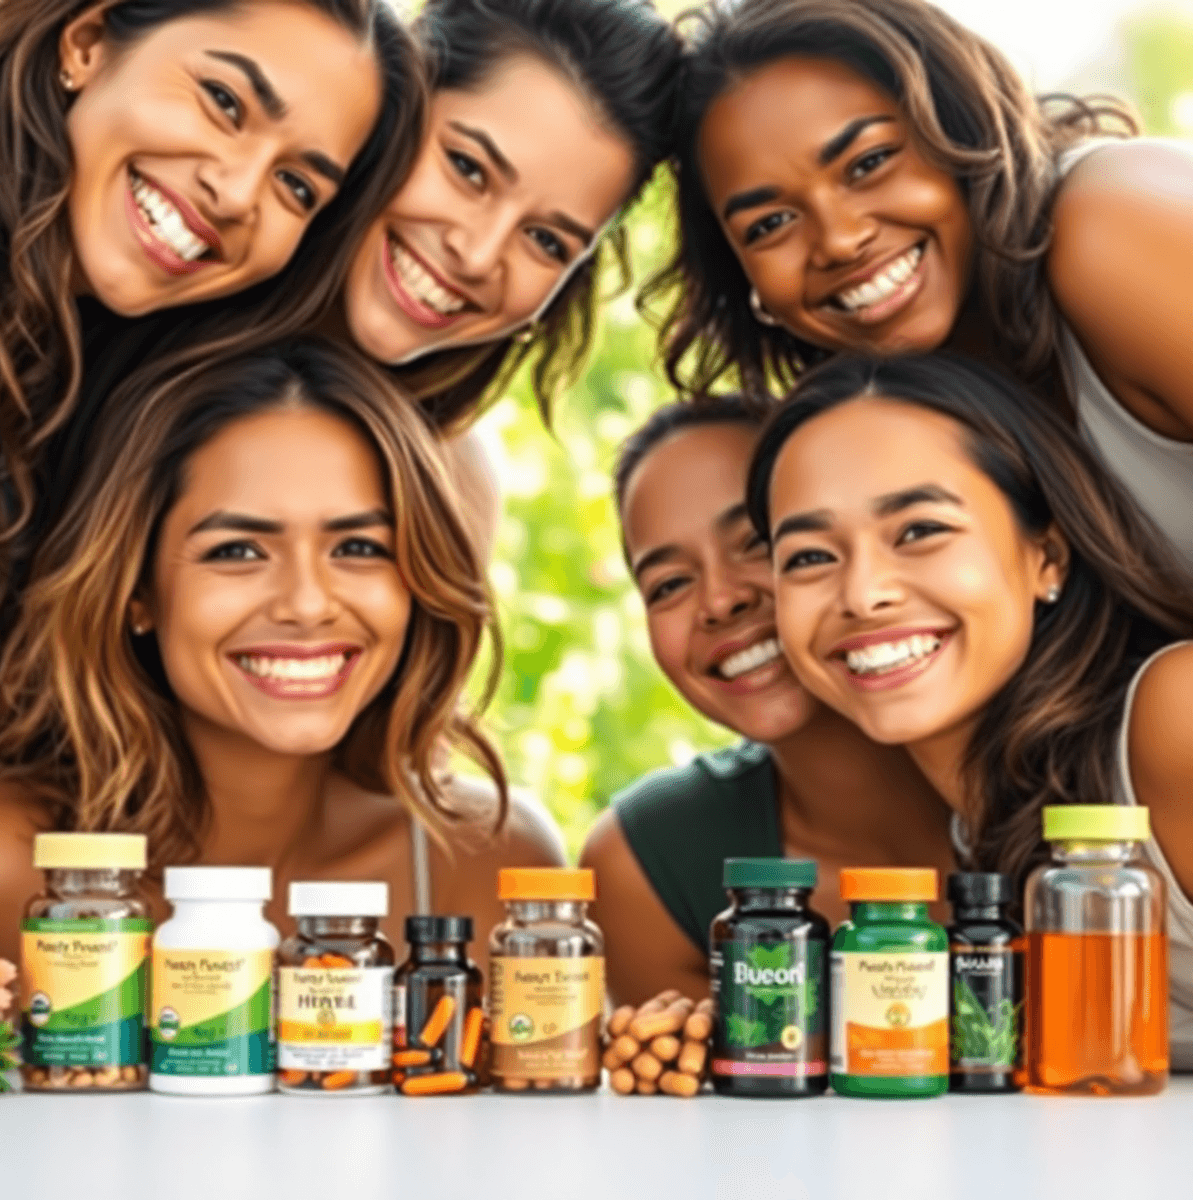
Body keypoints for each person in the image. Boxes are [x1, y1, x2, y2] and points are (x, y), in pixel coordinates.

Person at [0, 340, 563, 970]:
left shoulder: (490, 861)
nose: (308, 604)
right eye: (237, 551)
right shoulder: (13, 861)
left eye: (358, 547)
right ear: (136, 592)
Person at [746, 352, 1193, 1065]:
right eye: (808, 557)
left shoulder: (1173, 721)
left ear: (1046, 553)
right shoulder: (970, 833)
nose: (862, 594)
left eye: (919, 530)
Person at [654, 0, 1193, 568]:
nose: (838, 240)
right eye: (769, 224)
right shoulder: (895, 416)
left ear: (959, 129)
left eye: (869, 163)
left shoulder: (1109, 223)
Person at [0, 0, 423, 611]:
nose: (236, 193)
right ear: (88, 43)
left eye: (297, 186)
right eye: (224, 103)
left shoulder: (110, 425)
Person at [579, 396, 953, 1004]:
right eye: (669, 584)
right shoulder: (649, 865)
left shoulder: (1083, 805)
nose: (720, 601)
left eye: (757, 543)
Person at [341, 0, 683, 430]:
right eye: (468, 168)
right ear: (394, 94)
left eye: (546, 240)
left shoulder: (445, 486)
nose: (477, 257)